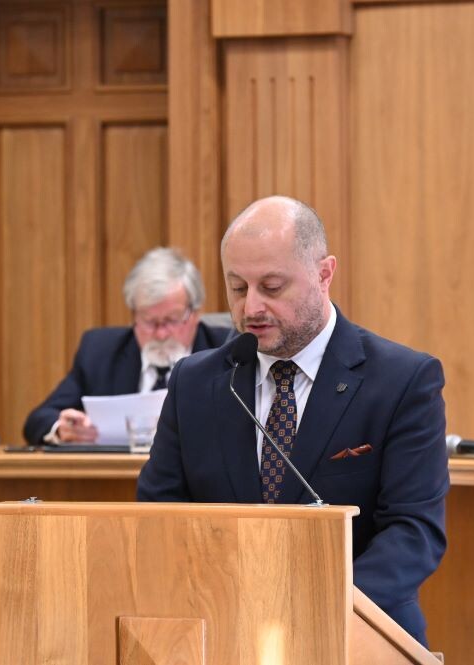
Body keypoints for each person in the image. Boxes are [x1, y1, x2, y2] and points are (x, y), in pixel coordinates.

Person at [136, 196, 449, 646]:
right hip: (223, 631)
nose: (251, 308)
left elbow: (413, 532)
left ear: (324, 274)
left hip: (358, 632)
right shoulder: (196, 382)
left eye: (272, 286)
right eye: (238, 288)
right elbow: (159, 519)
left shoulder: (402, 380)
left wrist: (317, 610)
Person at [23, 247, 231, 444]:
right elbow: (39, 419)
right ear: (134, 316)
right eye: (149, 321)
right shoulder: (99, 352)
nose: (161, 334)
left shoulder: (226, 352)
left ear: (195, 313)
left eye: (172, 320)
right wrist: (63, 428)